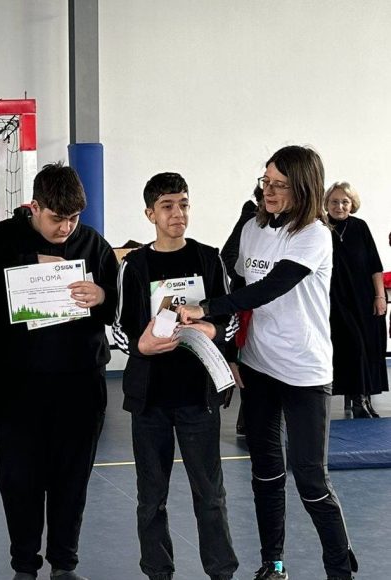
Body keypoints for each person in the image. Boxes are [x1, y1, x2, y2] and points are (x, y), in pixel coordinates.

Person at [179, 146, 358, 580]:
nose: (269, 192)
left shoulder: (314, 235)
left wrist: (206, 308)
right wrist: (230, 352)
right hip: (259, 367)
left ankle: (340, 568)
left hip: (304, 372)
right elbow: (238, 280)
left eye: (280, 185)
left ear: (304, 188)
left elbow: (271, 287)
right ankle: (272, 563)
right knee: (266, 474)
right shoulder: (253, 228)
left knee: (311, 481)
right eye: (266, 182)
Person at [0, 162, 118, 580]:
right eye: (57, 218)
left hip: (80, 382)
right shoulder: (1, 239)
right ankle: (24, 565)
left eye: (74, 218)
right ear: (34, 207)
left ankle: (64, 564)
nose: (66, 228)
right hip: (17, 382)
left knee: (73, 477)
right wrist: (25, 265)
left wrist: (102, 294)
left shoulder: (94, 244)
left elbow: (117, 306)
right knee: (18, 477)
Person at [111, 172, 238, 580]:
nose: (177, 213)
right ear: (150, 214)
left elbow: (231, 318)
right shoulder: (134, 265)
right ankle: (158, 572)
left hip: (198, 396)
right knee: (151, 497)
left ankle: (222, 572)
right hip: (150, 400)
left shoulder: (209, 258)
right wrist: (142, 346)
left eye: (183, 204)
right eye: (167, 206)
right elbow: (119, 329)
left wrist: (212, 329)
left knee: (211, 494)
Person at [324, 182, 386, 418]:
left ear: (352, 204)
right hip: (334, 299)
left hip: (363, 297)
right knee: (352, 345)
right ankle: (358, 400)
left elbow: (374, 265)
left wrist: (380, 296)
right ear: (326, 203)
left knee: (368, 347)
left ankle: (362, 398)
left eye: (345, 202)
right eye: (334, 201)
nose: (339, 206)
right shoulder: (320, 227)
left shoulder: (360, 227)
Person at [221, 185, 263, 435]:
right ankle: (247, 418)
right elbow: (228, 257)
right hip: (246, 305)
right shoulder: (250, 221)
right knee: (245, 358)